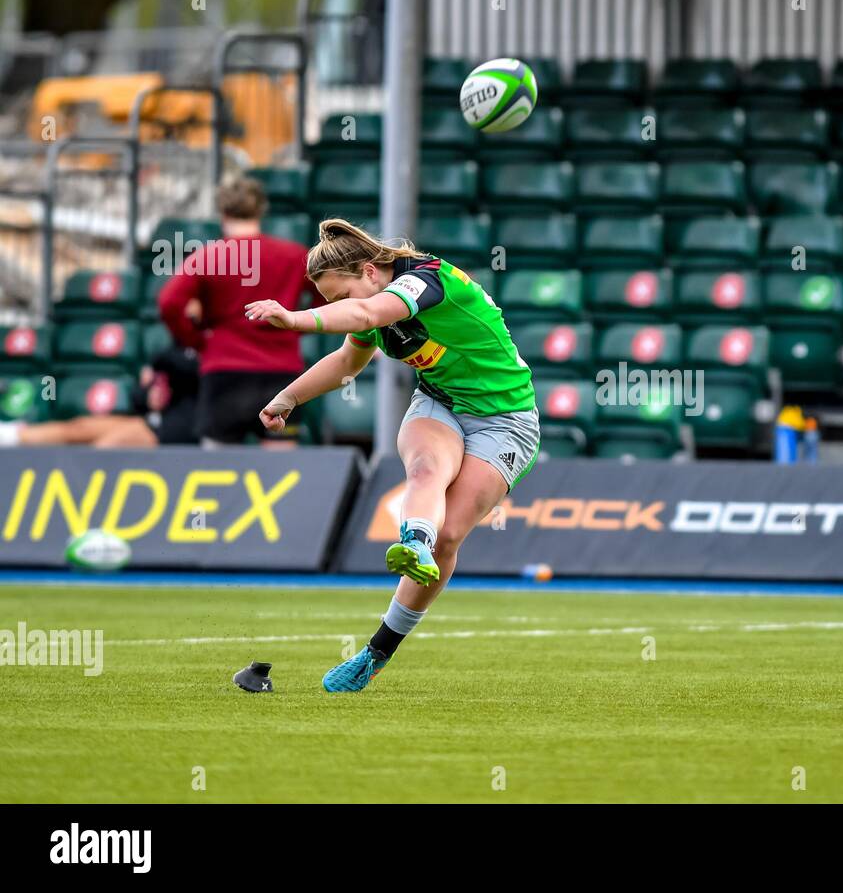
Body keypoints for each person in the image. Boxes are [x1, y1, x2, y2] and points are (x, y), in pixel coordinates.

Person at [244, 218, 538, 693]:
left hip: (505, 419)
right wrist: (289, 398)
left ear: (370, 272)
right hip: (440, 401)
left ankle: (377, 652)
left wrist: (296, 319)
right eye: (328, 303)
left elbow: (361, 317)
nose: (338, 308)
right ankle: (413, 542)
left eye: (340, 297)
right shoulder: (373, 308)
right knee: (425, 470)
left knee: (451, 536)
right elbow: (346, 361)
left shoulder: (427, 279)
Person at [158, 176, 314, 448]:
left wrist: (196, 341)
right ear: (261, 209)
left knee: (219, 471)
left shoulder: (208, 256)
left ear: (223, 212)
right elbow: (328, 294)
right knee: (284, 473)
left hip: (225, 370)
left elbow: (169, 302)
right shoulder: (294, 255)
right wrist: (296, 325)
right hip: (281, 370)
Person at [0, 344, 199, 448]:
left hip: (172, 432)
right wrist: (149, 396)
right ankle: (12, 436)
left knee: (102, 450)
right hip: (149, 419)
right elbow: (139, 398)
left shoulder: (213, 345)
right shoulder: (179, 344)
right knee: (79, 427)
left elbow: (191, 370)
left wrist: (158, 362)